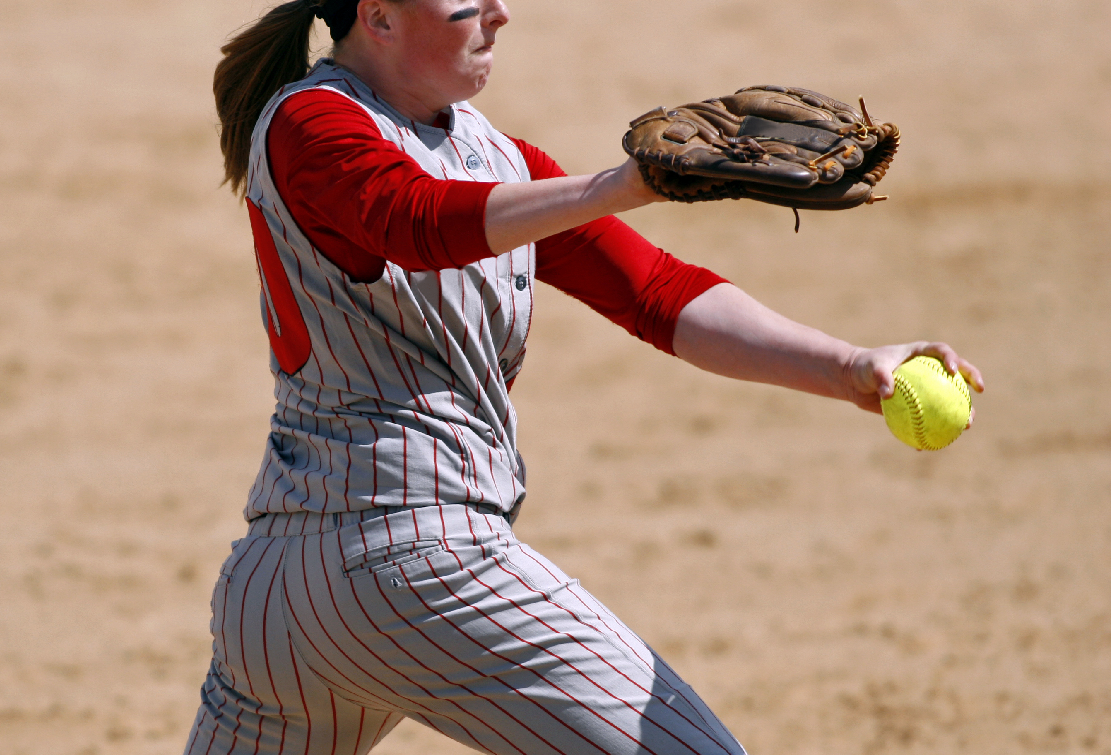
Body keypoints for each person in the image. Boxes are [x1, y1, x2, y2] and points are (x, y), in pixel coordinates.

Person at [184, 1, 985, 753]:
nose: (498, 12)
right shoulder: (309, 120)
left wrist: (847, 366)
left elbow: (655, 291)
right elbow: (414, 219)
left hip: (281, 605)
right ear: (379, 15)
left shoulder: (495, 157)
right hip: (420, 567)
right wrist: (621, 184)